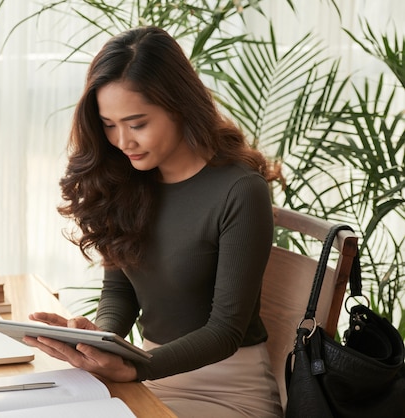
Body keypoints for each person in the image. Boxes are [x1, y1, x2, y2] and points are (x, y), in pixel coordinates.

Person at [23, 26, 283, 418]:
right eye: (109, 124)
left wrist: (135, 366)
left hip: (226, 389)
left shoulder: (240, 191)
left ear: (179, 106)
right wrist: (100, 339)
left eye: (137, 123)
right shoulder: (127, 180)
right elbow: (119, 291)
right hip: (147, 376)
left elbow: (225, 331)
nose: (122, 141)